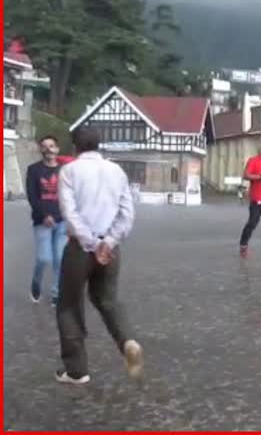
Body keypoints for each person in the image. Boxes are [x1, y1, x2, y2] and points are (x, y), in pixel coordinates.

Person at [56, 126, 143, 385]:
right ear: (99, 145)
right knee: (107, 300)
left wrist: (92, 243)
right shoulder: (116, 171)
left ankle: (76, 370)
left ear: (75, 146)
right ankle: (128, 341)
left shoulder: (69, 171)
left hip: (80, 248)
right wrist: (109, 241)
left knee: (69, 306)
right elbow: (127, 214)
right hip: (110, 248)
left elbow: (70, 214)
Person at [25, 135, 68, 306]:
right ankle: (36, 283)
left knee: (59, 259)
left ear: (57, 149)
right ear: (40, 150)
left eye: (51, 145)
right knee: (44, 258)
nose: (48, 149)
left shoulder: (65, 170)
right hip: (41, 221)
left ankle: (56, 293)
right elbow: (32, 196)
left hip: (62, 221)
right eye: (44, 146)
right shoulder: (34, 170)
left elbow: (70, 195)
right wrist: (44, 216)